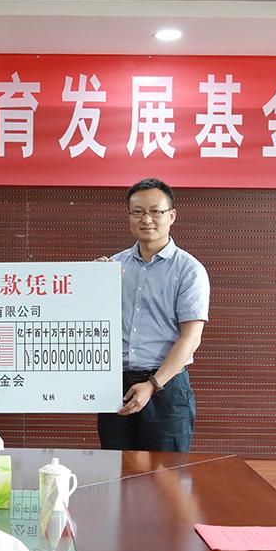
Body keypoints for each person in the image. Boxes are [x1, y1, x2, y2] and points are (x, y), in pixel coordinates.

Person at [98, 178, 210, 453]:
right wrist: (92, 284)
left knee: (166, 473)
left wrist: (152, 385)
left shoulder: (188, 270)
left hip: (166, 387)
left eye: (155, 211)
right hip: (116, 386)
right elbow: (94, 325)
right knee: (117, 469)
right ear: (129, 217)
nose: (146, 219)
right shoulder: (112, 267)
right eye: (137, 212)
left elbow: (190, 339)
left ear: (171, 215)